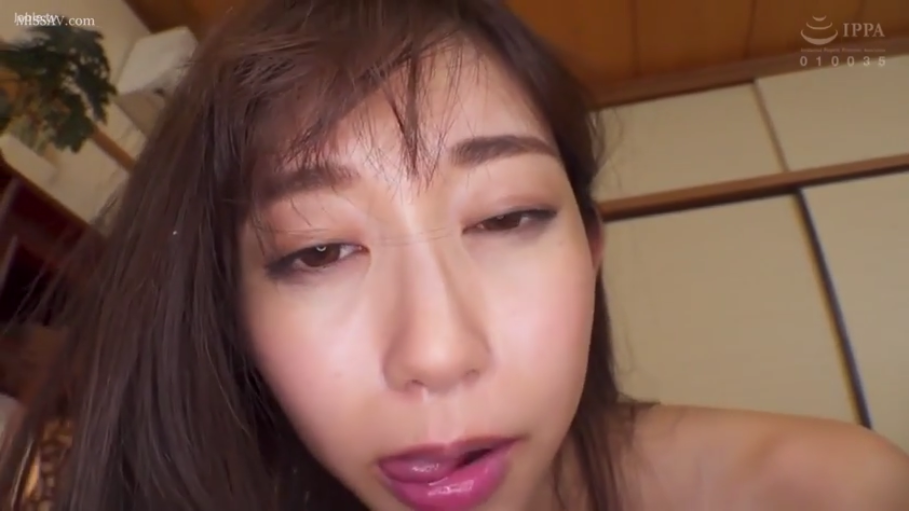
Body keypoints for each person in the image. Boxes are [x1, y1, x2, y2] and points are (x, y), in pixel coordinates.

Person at [1, 0, 908, 509]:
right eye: (318, 249)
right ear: (232, 313)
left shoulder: (823, 492)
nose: (436, 352)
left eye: (506, 217)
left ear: (590, 252)